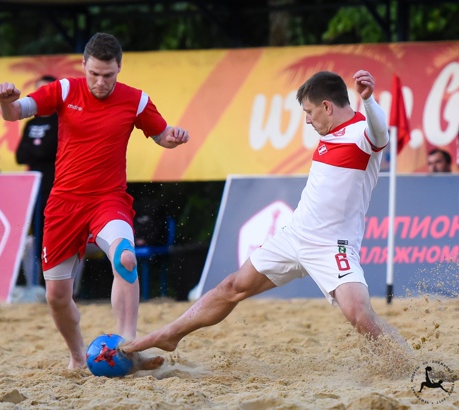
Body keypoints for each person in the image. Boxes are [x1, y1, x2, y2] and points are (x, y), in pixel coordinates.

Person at [122, 70, 411, 367]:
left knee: (360, 315)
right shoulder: (330, 134)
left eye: (309, 112)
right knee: (233, 286)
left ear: (327, 106)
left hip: (331, 246)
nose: (307, 120)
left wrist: (369, 100)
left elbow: (381, 136)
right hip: (294, 235)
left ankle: (409, 365)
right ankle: (171, 334)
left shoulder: (362, 134)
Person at [0, 32, 189, 371]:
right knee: (56, 296)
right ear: (83, 65)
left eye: (108, 75)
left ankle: (129, 347)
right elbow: (15, 113)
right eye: (94, 74)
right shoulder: (64, 90)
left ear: (119, 68)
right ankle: (77, 356)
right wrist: (5, 102)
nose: (100, 82)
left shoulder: (136, 100)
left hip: (108, 200)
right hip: (64, 204)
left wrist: (173, 137)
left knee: (126, 259)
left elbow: (162, 135)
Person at [16, 75, 59, 287]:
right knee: (29, 236)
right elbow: (20, 156)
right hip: (33, 189)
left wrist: (37, 150)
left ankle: (48, 282)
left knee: (49, 235)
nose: (43, 95)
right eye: (39, 90)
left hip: (54, 187)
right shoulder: (30, 123)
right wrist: (40, 150)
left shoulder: (61, 120)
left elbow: (49, 150)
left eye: (48, 90)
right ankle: (31, 284)